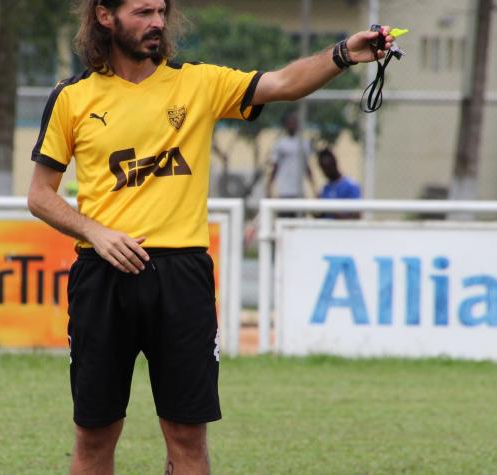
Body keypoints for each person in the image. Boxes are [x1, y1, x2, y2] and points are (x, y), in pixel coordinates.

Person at [27, 1, 394, 472]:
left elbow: (283, 83)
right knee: (94, 436)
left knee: (187, 436)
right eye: (142, 12)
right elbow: (40, 195)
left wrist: (343, 53)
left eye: (161, 11)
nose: (157, 22)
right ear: (104, 16)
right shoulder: (72, 97)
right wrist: (95, 232)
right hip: (103, 277)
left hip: (181, 278)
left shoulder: (198, 82)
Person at [267, 110, 314, 201]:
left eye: (294, 123)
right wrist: (269, 187)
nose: (292, 125)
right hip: (284, 191)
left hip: (299, 191)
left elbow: (307, 167)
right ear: (285, 125)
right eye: (289, 123)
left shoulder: (304, 143)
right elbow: (275, 167)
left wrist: (313, 187)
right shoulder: (280, 144)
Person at [317, 148, 362, 219]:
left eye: (328, 167)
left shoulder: (351, 186)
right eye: (323, 168)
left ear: (334, 163)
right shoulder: (325, 188)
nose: (325, 172)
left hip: (343, 226)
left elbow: (356, 216)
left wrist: (331, 210)